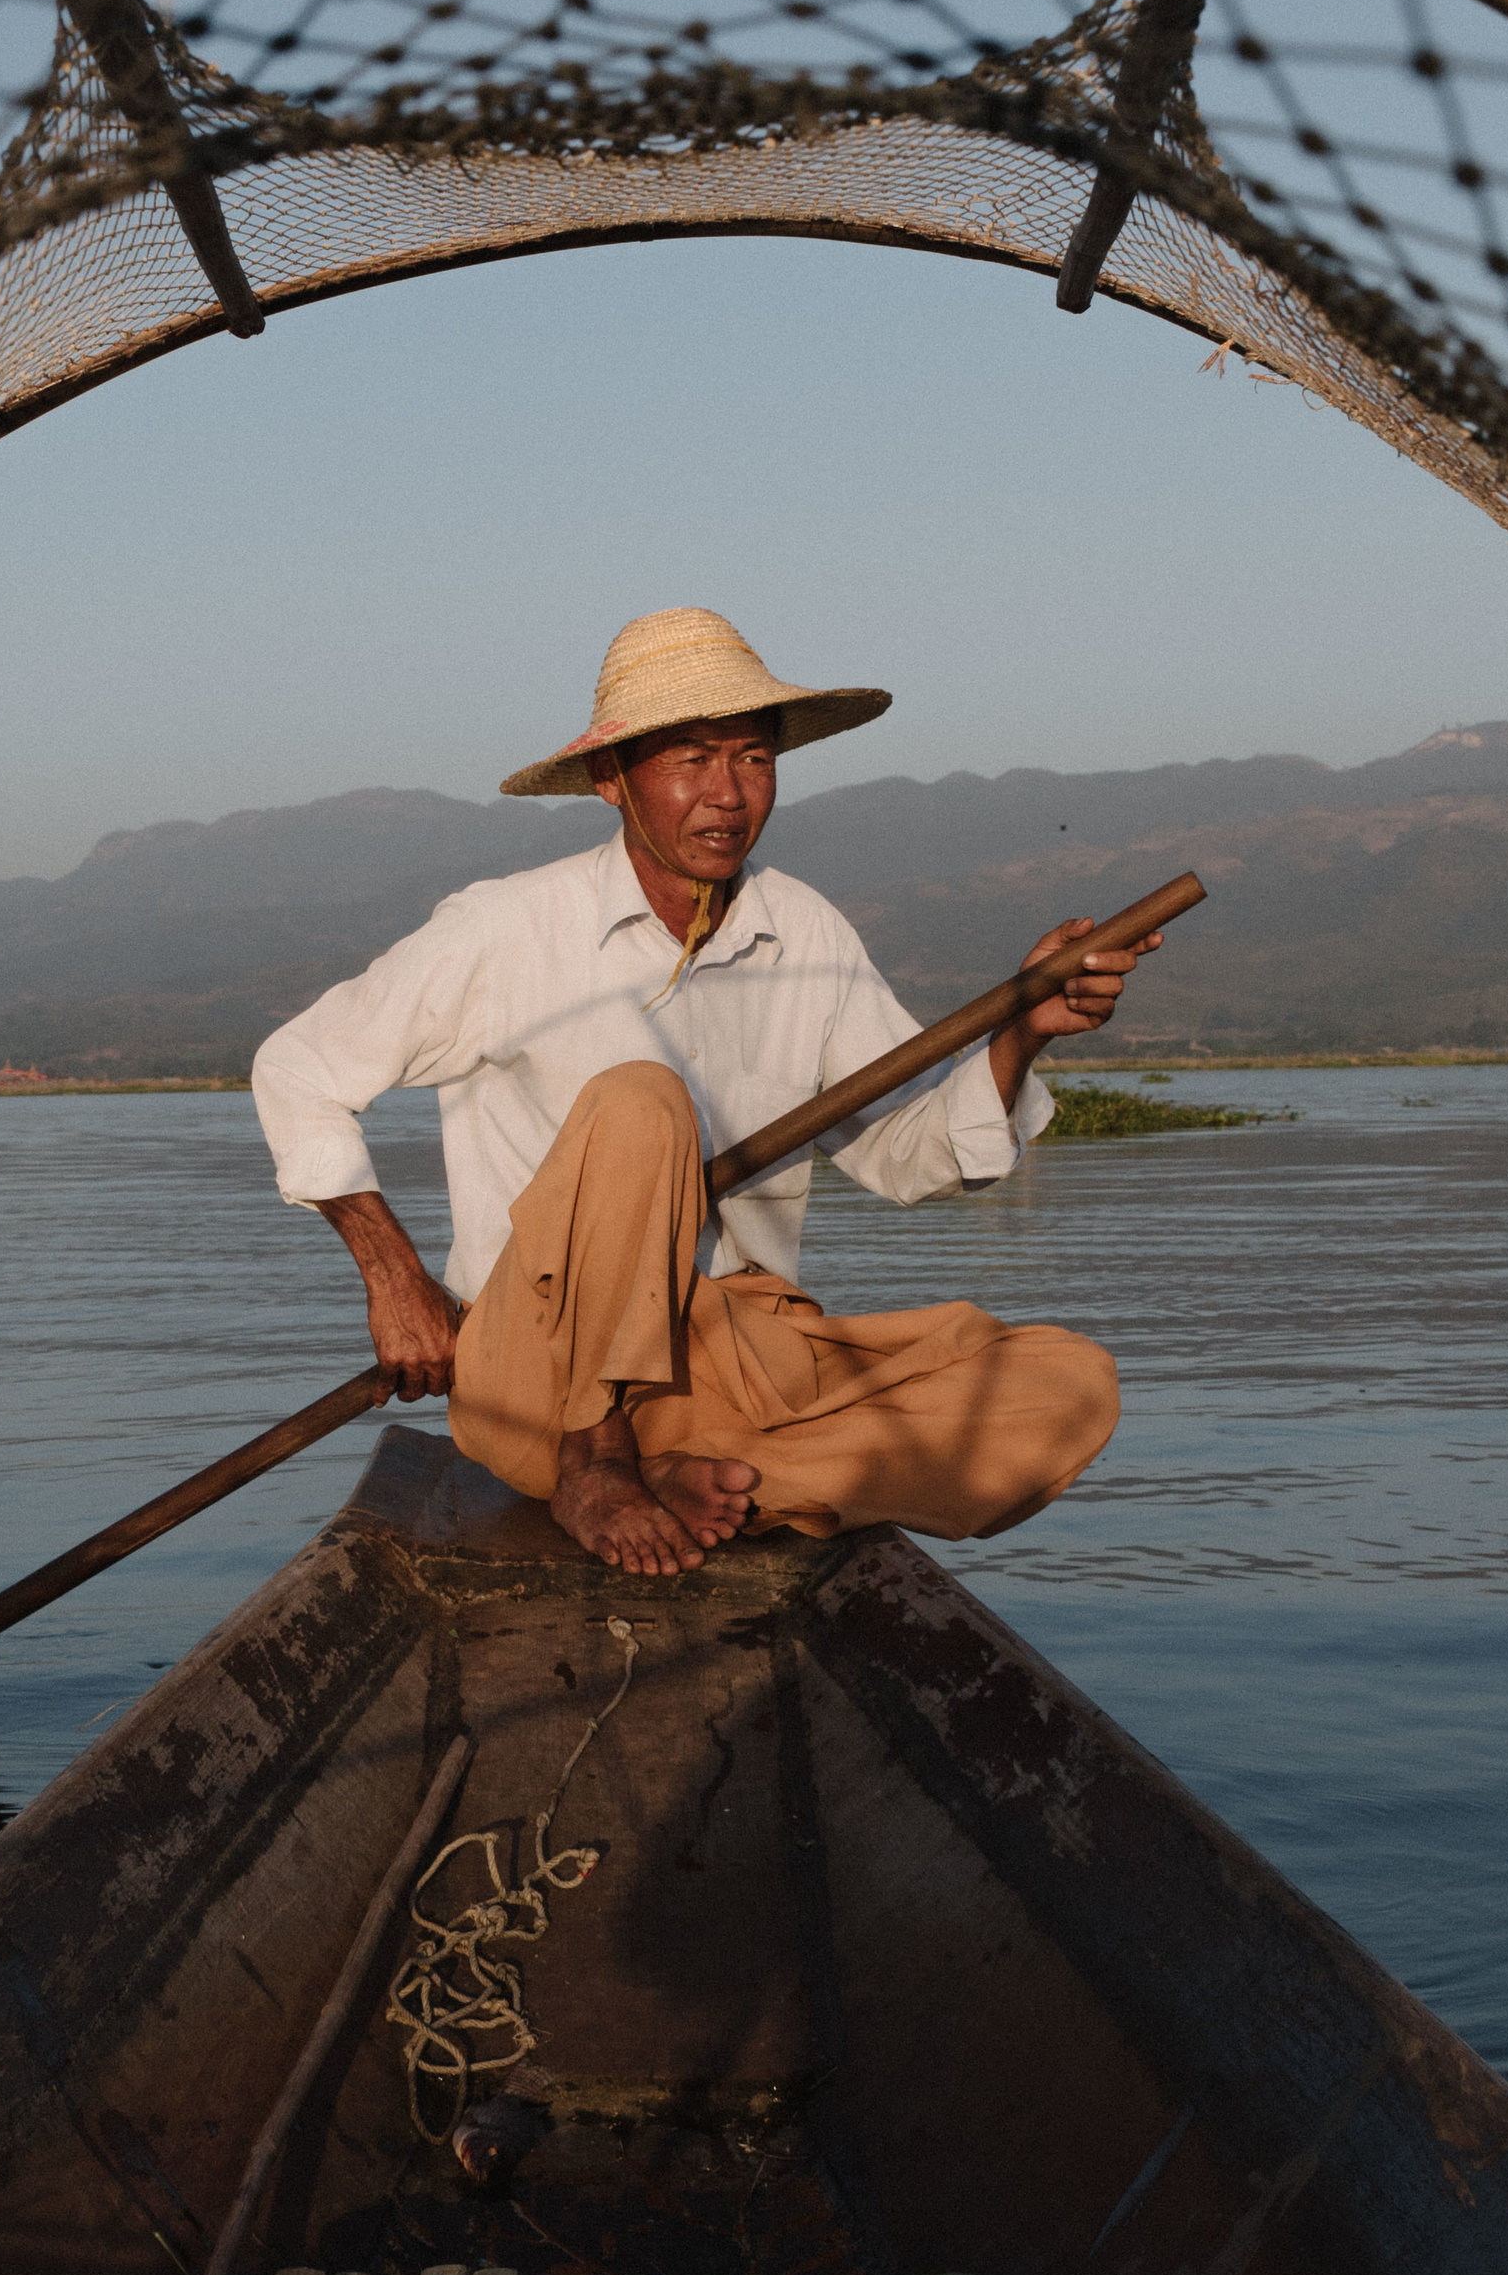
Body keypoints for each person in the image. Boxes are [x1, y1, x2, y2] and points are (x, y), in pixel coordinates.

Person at [250, 608, 1155, 1576]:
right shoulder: (507, 928)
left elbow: (907, 1154)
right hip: (546, 1375)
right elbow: (297, 1066)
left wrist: (1019, 1031)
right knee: (642, 1101)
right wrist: (393, 1276)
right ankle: (598, 1460)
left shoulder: (802, 933)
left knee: (1067, 1388)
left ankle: (712, 1472)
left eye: (753, 760)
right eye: (691, 759)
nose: (727, 794)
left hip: (738, 1362)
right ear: (611, 780)